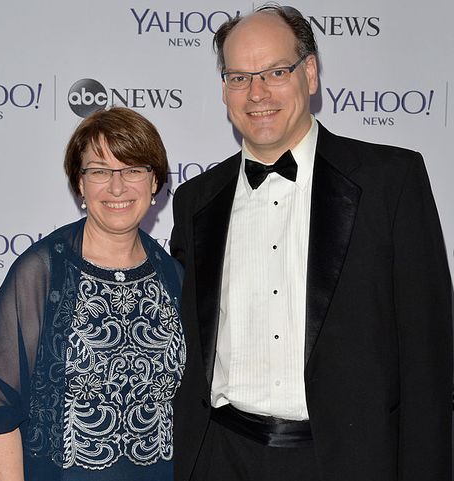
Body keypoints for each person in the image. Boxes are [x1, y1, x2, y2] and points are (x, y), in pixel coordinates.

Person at [170, 5, 452, 481]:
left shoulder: (391, 182)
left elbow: (430, 358)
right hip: (220, 457)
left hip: (349, 461)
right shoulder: (195, 199)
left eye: (276, 72)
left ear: (311, 73)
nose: (257, 93)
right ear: (224, 90)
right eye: (239, 77)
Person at [0, 106, 186, 481]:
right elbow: (0, 415)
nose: (117, 187)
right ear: (79, 184)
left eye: (133, 169)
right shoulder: (40, 273)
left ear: (154, 183)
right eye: (99, 171)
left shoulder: (172, 276)